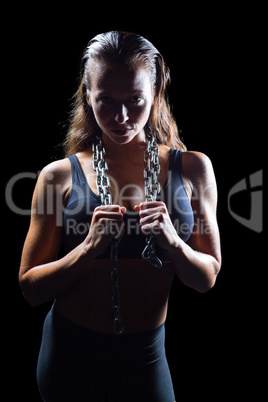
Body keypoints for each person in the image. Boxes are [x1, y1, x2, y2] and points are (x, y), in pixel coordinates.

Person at [19, 31, 221, 402]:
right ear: (87, 95)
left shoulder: (193, 169)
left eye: (135, 100)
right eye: (106, 100)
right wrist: (87, 248)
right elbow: (31, 289)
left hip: (146, 354)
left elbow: (206, 277)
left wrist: (173, 242)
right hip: (70, 353)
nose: (121, 116)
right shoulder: (57, 177)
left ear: (156, 95)